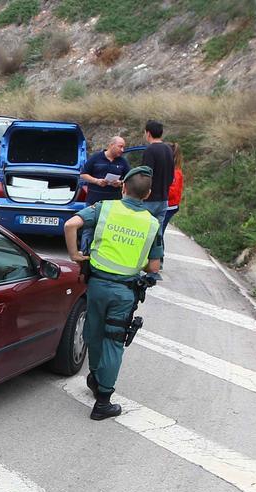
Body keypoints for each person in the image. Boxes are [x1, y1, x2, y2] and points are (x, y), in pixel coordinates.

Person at [62, 166, 163, 421]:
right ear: (148, 194)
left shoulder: (104, 208)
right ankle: (103, 401)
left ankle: (95, 377)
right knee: (114, 341)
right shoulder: (152, 224)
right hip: (124, 292)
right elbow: (154, 267)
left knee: (93, 332)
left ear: (123, 187)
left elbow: (71, 224)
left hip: (96, 286)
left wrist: (74, 255)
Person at [140, 120, 174, 278]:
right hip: (164, 199)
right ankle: (158, 262)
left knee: (143, 230)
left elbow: (146, 174)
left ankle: (140, 261)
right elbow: (172, 176)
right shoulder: (168, 149)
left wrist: (143, 193)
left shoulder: (150, 150)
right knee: (157, 231)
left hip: (149, 198)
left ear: (148, 133)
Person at [80, 136, 130, 206]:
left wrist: (121, 183)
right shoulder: (95, 157)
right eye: (120, 147)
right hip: (94, 202)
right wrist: (96, 181)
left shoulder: (123, 161)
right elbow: (83, 175)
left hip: (114, 202)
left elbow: (130, 178)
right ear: (111, 145)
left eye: (123, 147)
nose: (122, 150)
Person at [161, 142, 184, 237]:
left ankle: (158, 251)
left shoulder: (174, 172)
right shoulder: (173, 170)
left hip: (168, 206)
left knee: (158, 233)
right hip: (169, 205)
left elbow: (172, 192)